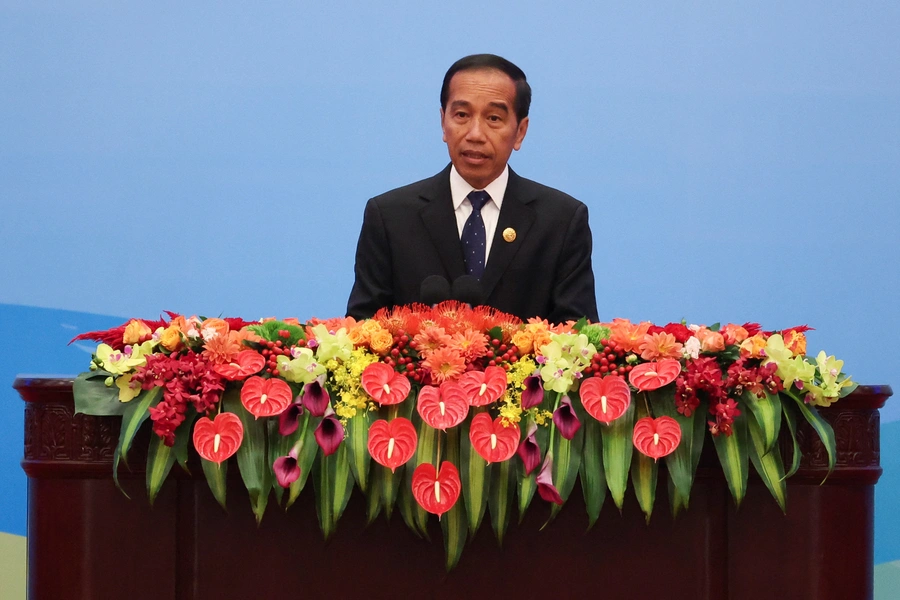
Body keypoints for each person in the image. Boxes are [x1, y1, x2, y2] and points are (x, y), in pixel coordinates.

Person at [347, 54, 599, 323]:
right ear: (443, 121)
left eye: (493, 118)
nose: (475, 134)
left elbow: (578, 337)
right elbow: (363, 331)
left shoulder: (560, 220)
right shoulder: (390, 216)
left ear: (520, 131)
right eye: (462, 115)